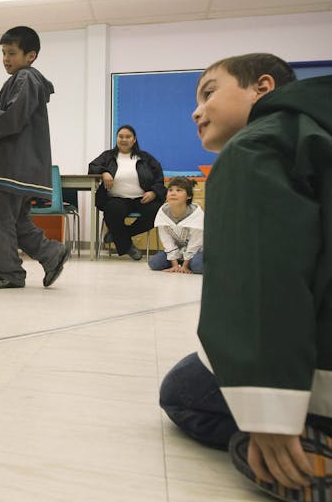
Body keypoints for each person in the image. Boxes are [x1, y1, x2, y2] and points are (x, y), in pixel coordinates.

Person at [159, 53, 332, 501]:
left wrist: (269, 415)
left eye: (209, 92)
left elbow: (261, 279)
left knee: (184, 387)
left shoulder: (257, 147)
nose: (196, 111)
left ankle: (295, 447)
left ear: (263, 88)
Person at [0, 26, 68, 289]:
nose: (6, 58)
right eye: (3, 53)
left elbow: (12, 119)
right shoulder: (26, 79)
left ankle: (10, 273)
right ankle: (51, 254)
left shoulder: (25, 78)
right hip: (23, 167)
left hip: (13, 167)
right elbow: (12, 121)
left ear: (31, 55)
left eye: (12, 53)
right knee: (16, 221)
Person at [88, 125, 166, 260]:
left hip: (142, 199)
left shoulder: (146, 158)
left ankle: (117, 235)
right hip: (117, 198)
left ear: (134, 139)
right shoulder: (108, 156)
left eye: (128, 137)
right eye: (121, 136)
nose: (124, 140)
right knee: (112, 210)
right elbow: (92, 166)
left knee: (156, 211)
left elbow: (159, 179)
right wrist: (104, 172)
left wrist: (153, 192)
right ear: (117, 138)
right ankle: (127, 246)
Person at [148, 176, 204, 274]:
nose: (173, 193)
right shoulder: (163, 212)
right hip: (177, 252)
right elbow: (166, 240)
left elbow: (196, 243)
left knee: (198, 266)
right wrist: (174, 265)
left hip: (197, 251)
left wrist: (185, 266)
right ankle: (178, 262)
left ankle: (188, 263)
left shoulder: (197, 214)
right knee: (154, 263)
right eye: (170, 190)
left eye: (179, 190)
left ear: (189, 196)